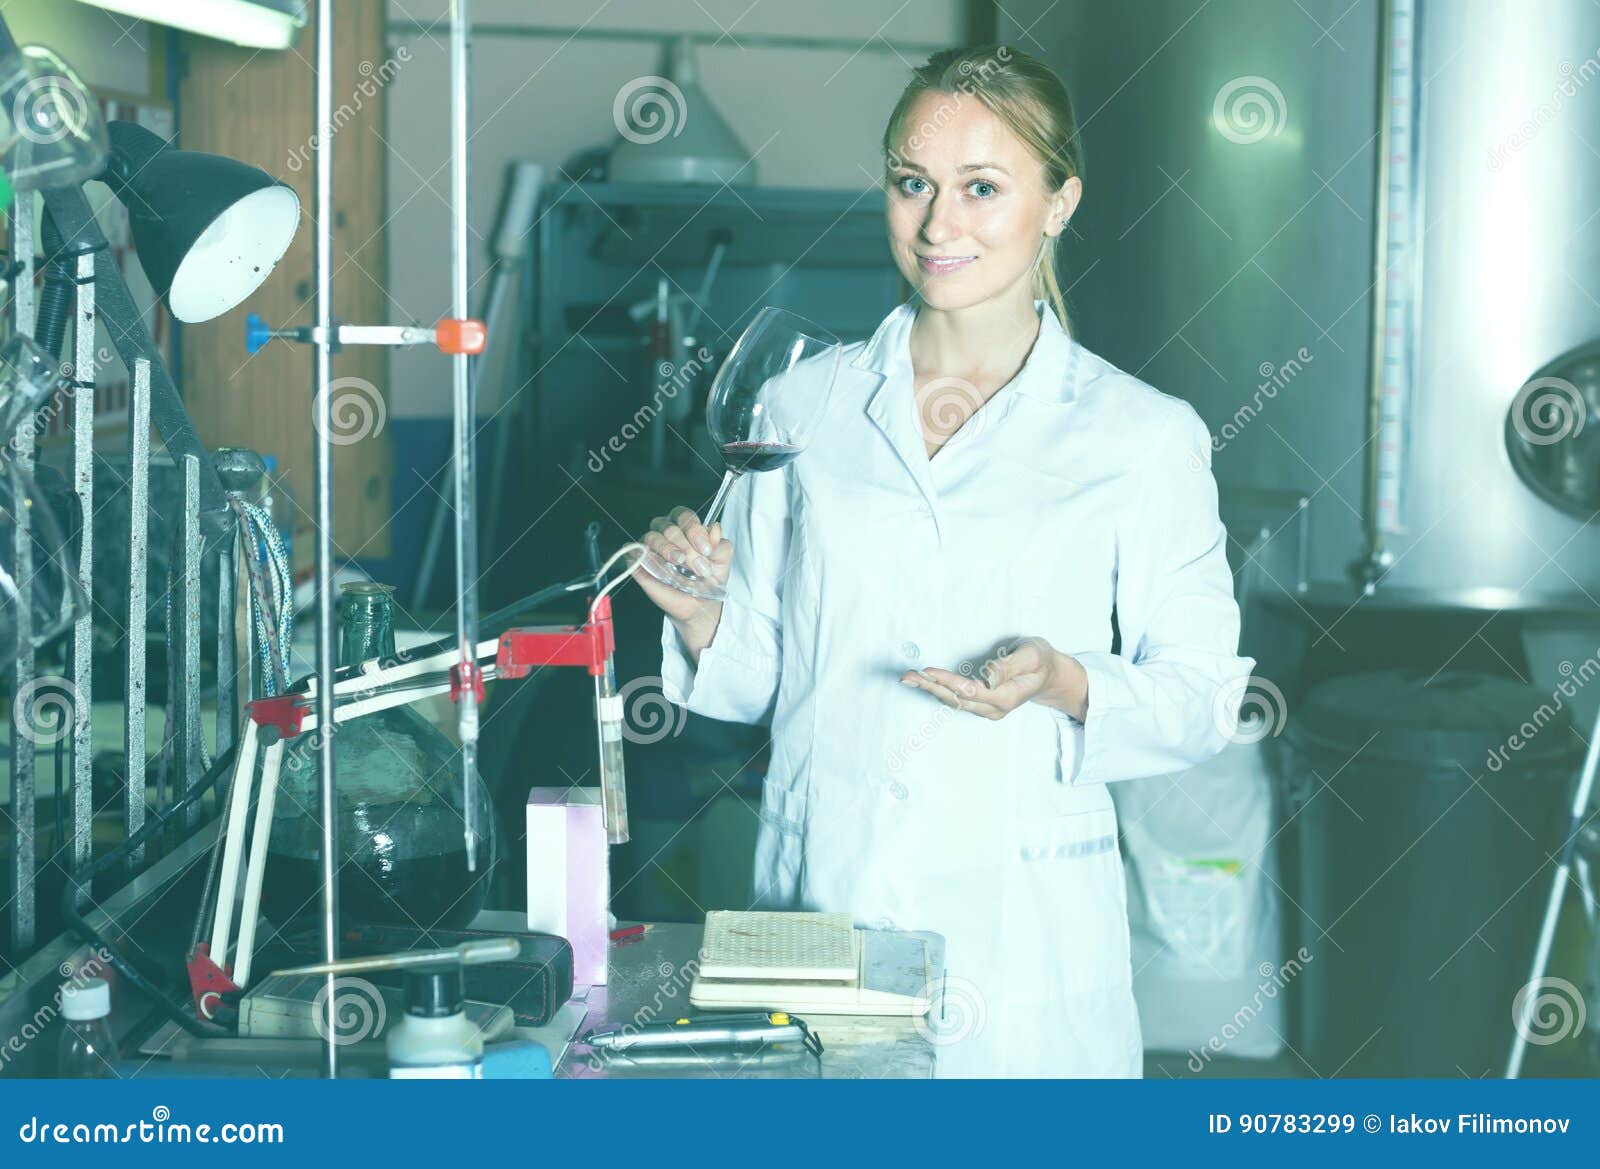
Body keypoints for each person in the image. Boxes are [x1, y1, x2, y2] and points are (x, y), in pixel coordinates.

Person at [633, 43, 1254, 1077]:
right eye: (912, 182)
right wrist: (701, 611)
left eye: (982, 187)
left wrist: (1064, 680)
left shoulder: (1141, 435)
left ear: (1059, 201)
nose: (936, 224)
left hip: (1021, 937)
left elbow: (1202, 700)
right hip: (827, 900)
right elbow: (763, 674)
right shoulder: (803, 403)